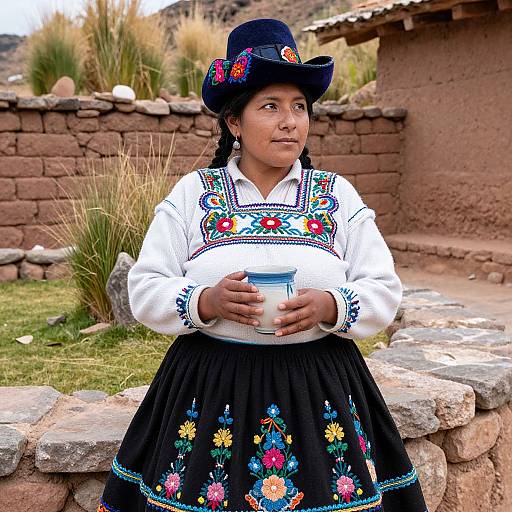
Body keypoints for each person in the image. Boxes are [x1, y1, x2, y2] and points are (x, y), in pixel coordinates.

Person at [97, 18, 428, 512]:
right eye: (270, 106)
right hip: (210, 392)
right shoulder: (194, 195)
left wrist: (331, 305)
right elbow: (145, 285)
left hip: (320, 389)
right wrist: (205, 301)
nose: (290, 121)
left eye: (299, 107)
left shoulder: (336, 197)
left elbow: (383, 287)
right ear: (234, 122)